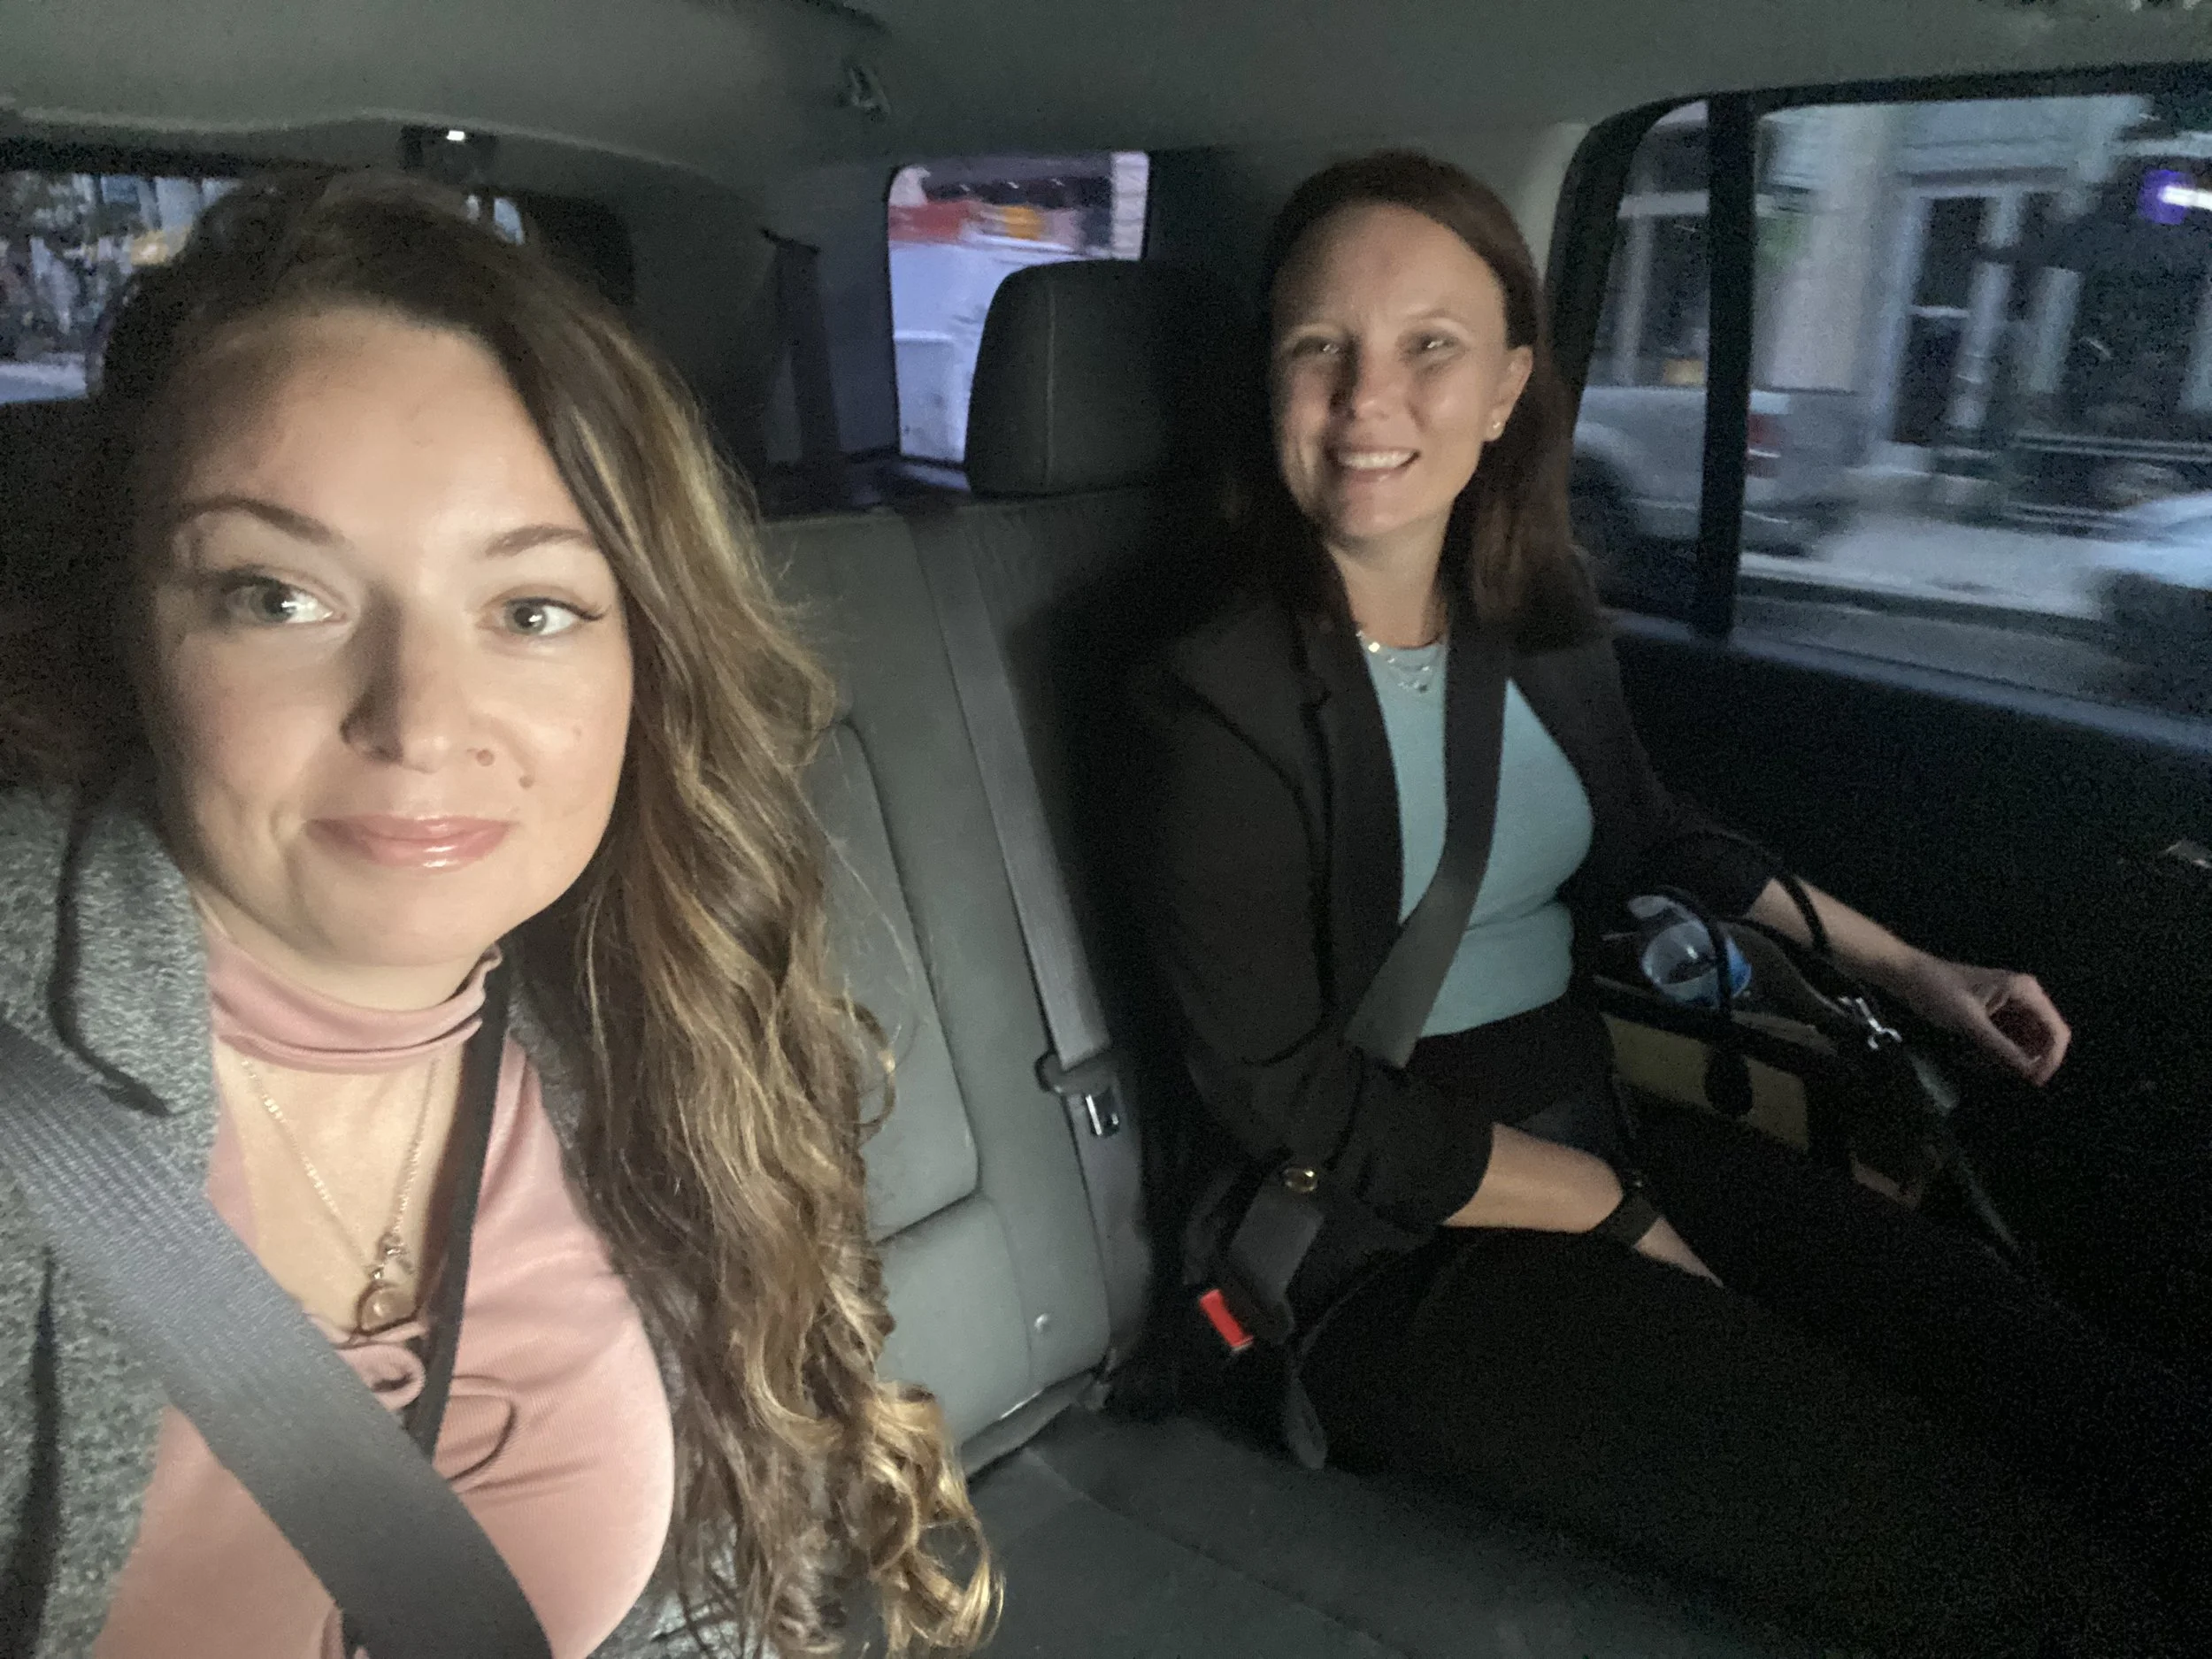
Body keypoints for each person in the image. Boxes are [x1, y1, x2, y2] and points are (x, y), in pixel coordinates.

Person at [1129, 150, 2211, 1656]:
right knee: (1976, 1549)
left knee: (2078, 1394)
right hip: (1386, 1242)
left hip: (1599, 1130)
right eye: (1321, 348)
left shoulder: (1536, 615)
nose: (1368, 400)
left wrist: (1916, 972)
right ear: (1271, 379)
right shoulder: (1214, 697)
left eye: (1428, 346)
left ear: (1510, 384)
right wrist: (1610, 1211)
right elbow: (1285, 1097)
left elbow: (1650, 833)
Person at [0, 172, 993, 1658]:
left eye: (533, 610)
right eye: (278, 595)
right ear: (126, 630)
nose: (419, 720)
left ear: (644, 663)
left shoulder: (654, 1008)